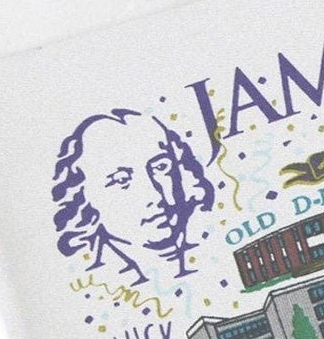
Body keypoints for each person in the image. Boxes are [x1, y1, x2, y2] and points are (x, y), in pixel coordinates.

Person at [50, 108, 215, 282]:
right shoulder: (97, 274)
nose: (154, 195)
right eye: (121, 180)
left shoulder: (207, 235)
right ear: (84, 195)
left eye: (161, 167)